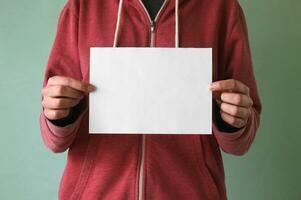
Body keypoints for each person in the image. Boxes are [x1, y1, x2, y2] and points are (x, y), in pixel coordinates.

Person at [39, 0, 262, 199]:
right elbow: (54, 139)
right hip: (95, 193)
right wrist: (59, 117)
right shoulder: (82, 7)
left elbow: (240, 142)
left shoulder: (222, 8)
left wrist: (233, 121)